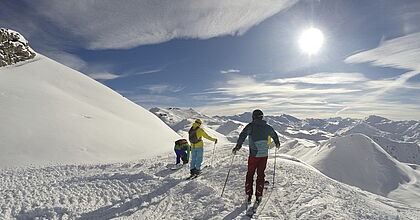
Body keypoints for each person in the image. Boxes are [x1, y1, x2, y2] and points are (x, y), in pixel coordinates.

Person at [232, 109, 280, 205]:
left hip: (254, 154)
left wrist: (238, 146)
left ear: (253, 117)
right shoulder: (267, 127)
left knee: (250, 173)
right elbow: (274, 135)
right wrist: (277, 143)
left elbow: (242, 135)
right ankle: (259, 195)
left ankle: (248, 194)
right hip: (264, 155)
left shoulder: (251, 126)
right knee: (261, 174)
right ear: (262, 117)